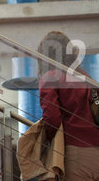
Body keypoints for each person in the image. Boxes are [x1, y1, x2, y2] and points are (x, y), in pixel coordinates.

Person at [38, 31, 99, 181]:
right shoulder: (86, 77)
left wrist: (47, 140)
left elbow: (52, 118)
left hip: (75, 152)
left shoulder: (51, 78)